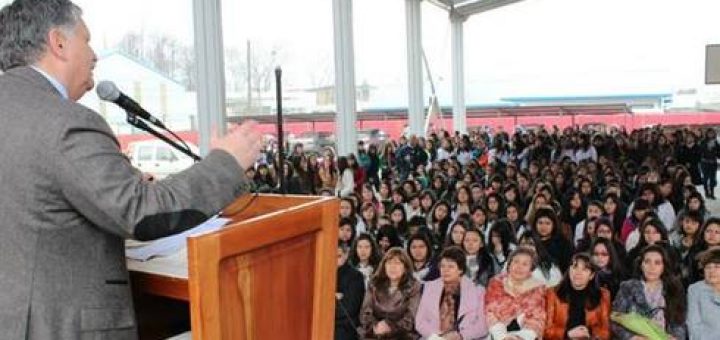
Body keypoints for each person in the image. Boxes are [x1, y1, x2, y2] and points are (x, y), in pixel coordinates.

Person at [0, 1, 262, 338]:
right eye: (87, 40)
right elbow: (140, 212)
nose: (94, 55)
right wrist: (227, 162)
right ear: (59, 43)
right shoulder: (66, 122)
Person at [612, 245, 687, 340]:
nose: (652, 267)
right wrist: (632, 337)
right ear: (641, 265)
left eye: (657, 263)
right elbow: (615, 320)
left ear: (664, 266)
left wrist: (675, 338)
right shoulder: (628, 287)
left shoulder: (674, 288)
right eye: (647, 262)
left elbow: (679, 323)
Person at [415, 247, 489, 340]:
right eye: (442, 266)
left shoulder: (477, 291)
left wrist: (460, 335)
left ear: (460, 270)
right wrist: (436, 337)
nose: (445, 270)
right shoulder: (429, 287)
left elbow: (483, 325)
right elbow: (420, 322)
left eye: (450, 266)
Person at [544, 253, 611, 340]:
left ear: (591, 275)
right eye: (575, 267)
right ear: (569, 270)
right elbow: (546, 330)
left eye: (584, 269)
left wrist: (589, 333)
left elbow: (606, 331)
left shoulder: (603, 295)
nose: (578, 273)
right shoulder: (552, 293)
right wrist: (567, 334)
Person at [485, 248, 547, 340]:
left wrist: (519, 337)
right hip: (496, 333)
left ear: (531, 270)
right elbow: (490, 312)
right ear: (509, 265)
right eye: (516, 262)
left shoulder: (537, 288)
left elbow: (537, 319)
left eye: (525, 264)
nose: (519, 267)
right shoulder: (496, 283)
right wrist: (502, 336)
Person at [359, 247, 422, 339]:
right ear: (384, 266)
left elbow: (410, 318)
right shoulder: (374, 283)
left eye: (397, 263)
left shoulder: (414, 286)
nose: (393, 267)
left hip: (401, 335)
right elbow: (365, 312)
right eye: (389, 263)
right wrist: (375, 326)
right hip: (374, 333)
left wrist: (390, 328)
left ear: (405, 268)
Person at [687, 248, 720, 340]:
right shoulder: (695, 289)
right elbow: (693, 325)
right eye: (708, 267)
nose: (711, 271)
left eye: (717, 267)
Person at [336, 241, 366, 340]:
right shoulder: (321, 273)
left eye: (338, 256)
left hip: (344, 328)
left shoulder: (356, 276)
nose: (334, 260)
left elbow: (349, 308)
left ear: (346, 254)